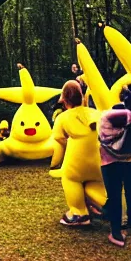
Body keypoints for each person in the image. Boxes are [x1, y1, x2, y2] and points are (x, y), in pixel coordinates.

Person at [51, 81, 103, 227]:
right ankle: (109, 207)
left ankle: (79, 213)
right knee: (97, 182)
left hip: (76, 161)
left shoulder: (63, 117)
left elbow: (58, 138)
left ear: (65, 100)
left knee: (70, 179)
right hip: (98, 158)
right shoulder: (95, 113)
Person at [99, 87, 131, 247]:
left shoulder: (105, 115)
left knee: (114, 195)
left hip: (109, 160)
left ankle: (116, 232)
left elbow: (101, 136)